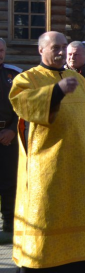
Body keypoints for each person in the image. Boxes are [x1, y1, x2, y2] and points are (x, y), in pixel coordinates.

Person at [10, 31, 85, 273]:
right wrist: (55, 92)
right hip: (45, 165)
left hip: (79, 161)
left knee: (78, 210)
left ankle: (79, 271)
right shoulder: (27, 79)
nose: (60, 52)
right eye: (55, 48)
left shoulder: (78, 80)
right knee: (47, 215)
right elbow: (22, 105)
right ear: (41, 50)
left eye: (63, 48)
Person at [0, 38, 22, 233]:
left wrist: (13, 129)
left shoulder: (14, 75)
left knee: (9, 180)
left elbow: (23, 107)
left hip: (8, 135)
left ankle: (9, 221)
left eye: (1, 50)